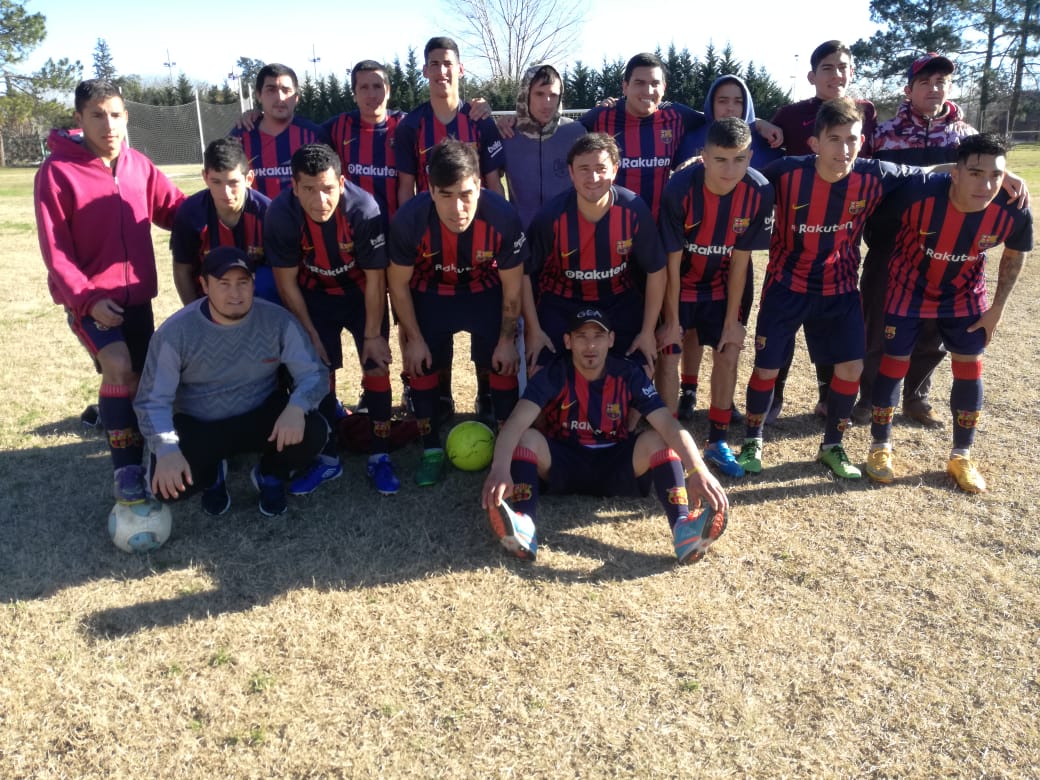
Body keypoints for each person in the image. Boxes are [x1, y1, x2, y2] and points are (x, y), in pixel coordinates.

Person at [735, 98, 922, 480]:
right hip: (786, 286)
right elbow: (739, 179)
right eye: (834, 139)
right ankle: (752, 441)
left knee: (851, 367)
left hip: (839, 289)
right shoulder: (785, 173)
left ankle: (832, 445)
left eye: (852, 139)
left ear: (862, 141)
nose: (844, 148)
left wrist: (1002, 176)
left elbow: (929, 175)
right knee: (767, 368)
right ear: (815, 143)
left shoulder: (875, 174)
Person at [34, 78, 184, 507]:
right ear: (79, 119)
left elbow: (176, 210)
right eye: (97, 116)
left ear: (127, 117)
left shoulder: (138, 165)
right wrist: (88, 300)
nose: (109, 125)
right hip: (91, 302)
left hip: (137, 299)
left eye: (116, 115)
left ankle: (138, 440)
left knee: (143, 380)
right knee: (118, 365)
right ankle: (127, 471)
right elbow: (56, 251)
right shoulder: (56, 172)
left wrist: (224, 211)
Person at [480, 308, 729, 564]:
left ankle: (683, 529)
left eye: (598, 336)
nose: (590, 345)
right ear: (568, 341)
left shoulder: (628, 374)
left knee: (659, 439)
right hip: (563, 463)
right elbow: (515, 424)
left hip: (615, 464)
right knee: (527, 438)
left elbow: (668, 424)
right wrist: (500, 469)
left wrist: (698, 470)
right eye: (581, 336)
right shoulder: (554, 373)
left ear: (610, 340)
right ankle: (524, 525)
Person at [863, 134, 1031, 493]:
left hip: (963, 294)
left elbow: (1016, 254)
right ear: (955, 172)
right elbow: (908, 179)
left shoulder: (1013, 207)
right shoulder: (920, 192)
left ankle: (962, 455)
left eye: (996, 175)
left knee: (969, 365)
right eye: (975, 173)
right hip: (907, 288)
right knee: (894, 363)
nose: (986, 185)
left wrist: (996, 310)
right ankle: (880, 446)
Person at [134, 247, 330, 517]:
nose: (235, 293)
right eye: (223, 284)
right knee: (166, 489)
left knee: (314, 431)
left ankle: (270, 473)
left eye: (243, 282)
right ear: (204, 285)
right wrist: (165, 448)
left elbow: (315, 373)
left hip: (259, 415)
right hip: (200, 424)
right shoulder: (175, 333)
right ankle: (212, 475)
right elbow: (151, 401)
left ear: (253, 283)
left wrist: (297, 406)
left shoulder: (278, 321)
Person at [388, 139, 525, 486]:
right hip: (430, 291)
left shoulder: (503, 216)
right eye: (446, 195)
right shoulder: (409, 220)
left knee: (503, 361)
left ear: (479, 185)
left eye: (466, 194)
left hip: (483, 290)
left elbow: (512, 289)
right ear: (430, 190)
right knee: (420, 364)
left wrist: (507, 340)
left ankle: (504, 442)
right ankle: (431, 449)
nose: (458, 208)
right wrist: (413, 339)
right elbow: (398, 285)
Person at [265, 143, 400, 496]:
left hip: (360, 294)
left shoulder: (363, 209)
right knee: (318, 372)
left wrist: (373, 335)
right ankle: (327, 458)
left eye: (327, 188)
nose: (320, 199)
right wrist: (309, 333)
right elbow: (286, 283)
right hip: (315, 297)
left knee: (376, 365)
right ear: (294, 187)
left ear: (341, 182)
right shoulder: (281, 214)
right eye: (309, 189)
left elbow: (376, 279)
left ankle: (380, 455)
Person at [854, 52, 979, 427]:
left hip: (946, 250)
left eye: (941, 82)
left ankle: (916, 397)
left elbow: (985, 181)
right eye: (925, 82)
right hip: (889, 246)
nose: (934, 88)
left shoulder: (966, 137)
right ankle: (870, 396)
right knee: (877, 323)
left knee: (931, 328)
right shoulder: (883, 134)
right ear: (909, 90)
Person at [394, 36, 507, 422]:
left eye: (448, 63)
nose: (441, 71)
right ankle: (437, 397)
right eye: (434, 64)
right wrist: (408, 233)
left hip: (478, 242)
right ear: (425, 70)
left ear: (460, 68)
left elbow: (492, 183)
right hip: (429, 242)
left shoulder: (480, 120)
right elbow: (405, 187)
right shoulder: (411, 125)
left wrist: (497, 230)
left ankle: (487, 396)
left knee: (487, 322)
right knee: (429, 324)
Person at [767, 40, 878, 422]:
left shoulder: (866, 112)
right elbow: (761, 151)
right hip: (796, 234)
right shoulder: (790, 114)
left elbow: (879, 162)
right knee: (782, 327)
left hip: (843, 231)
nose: (836, 74)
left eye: (843, 67)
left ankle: (828, 396)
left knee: (833, 322)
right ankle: (774, 396)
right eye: (828, 68)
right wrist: (760, 123)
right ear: (812, 75)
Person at [658, 118, 775, 478]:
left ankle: (717, 441)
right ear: (704, 157)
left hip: (723, 286)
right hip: (681, 283)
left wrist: (733, 321)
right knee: (669, 352)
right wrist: (671, 320)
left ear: (750, 157)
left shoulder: (760, 190)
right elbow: (671, 263)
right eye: (721, 159)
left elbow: (741, 261)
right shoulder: (679, 189)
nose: (730, 169)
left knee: (729, 349)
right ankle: (669, 443)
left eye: (739, 159)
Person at [672, 74, 782, 421]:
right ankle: (688, 389)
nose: (730, 107)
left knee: (727, 332)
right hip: (689, 253)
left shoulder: (762, 143)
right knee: (688, 330)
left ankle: (723, 401)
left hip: (731, 255)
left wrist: (762, 123)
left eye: (738, 101)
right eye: (722, 100)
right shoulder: (692, 135)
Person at [524, 133, 666, 372]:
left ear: (615, 170)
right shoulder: (551, 215)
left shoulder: (633, 209)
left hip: (618, 299)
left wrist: (647, 331)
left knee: (642, 368)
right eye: (584, 169)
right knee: (539, 369)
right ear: (571, 172)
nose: (593, 178)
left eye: (601, 168)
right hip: (562, 301)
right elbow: (524, 272)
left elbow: (656, 270)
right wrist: (534, 330)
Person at [580, 53, 781, 221]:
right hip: (613, 224)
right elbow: (568, 136)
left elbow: (716, 119)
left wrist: (757, 123)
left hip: (659, 227)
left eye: (655, 83)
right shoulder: (600, 117)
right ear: (625, 86)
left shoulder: (676, 115)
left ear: (664, 87)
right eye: (639, 83)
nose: (648, 90)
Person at [170, 137, 274, 305]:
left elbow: (283, 272)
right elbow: (182, 268)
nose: (226, 192)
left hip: (258, 296)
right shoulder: (190, 213)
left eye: (233, 182)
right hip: (209, 298)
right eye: (216, 182)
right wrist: (194, 312)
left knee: (266, 279)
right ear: (205, 177)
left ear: (249, 179)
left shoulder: (267, 214)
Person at [499, 63, 587, 230]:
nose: (547, 103)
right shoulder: (506, 133)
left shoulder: (575, 132)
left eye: (553, 95)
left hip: (566, 232)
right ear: (526, 94)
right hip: (522, 233)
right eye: (539, 94)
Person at [323, 60, 407, 226]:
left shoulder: (405, 125)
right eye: (364, 88)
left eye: (377, 86)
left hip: (397, 230)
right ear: (354, 94)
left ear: (388, 91)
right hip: (354, 232)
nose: (372, 95)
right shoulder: (337, 127)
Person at [230, 64, 326, 198]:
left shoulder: (314, 136)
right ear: (258, 95)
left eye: (286, 90)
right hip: (256, 212)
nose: (280, 97)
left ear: (296, 97)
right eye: (271, 90)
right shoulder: (239, 137)